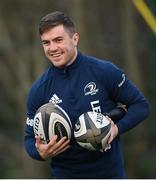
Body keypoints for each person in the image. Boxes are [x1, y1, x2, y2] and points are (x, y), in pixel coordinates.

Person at [24, 11, 150, 179]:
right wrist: (41, 152)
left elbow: (141, 106)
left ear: (75, 39)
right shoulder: (39, 90)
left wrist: (116, 129)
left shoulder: (104, 72)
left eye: (58, 40)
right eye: (46, 43)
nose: (52, 48)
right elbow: (29, 139)